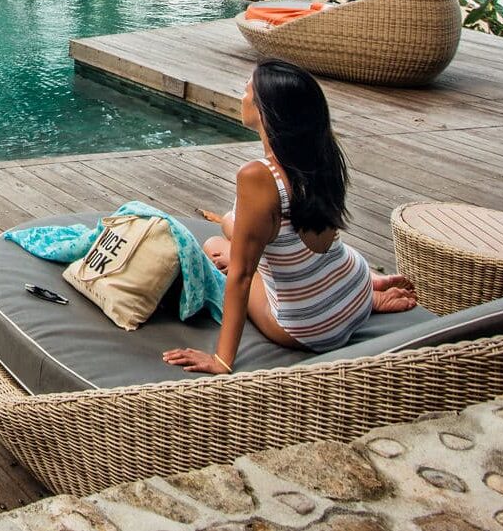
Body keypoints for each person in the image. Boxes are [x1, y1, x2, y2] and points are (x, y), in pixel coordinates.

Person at [163, 60, 417, 375]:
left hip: (314, 327)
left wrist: (221, 359)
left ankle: (366, 293)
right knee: (233, 230)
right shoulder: (320, 154)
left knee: (216, 246)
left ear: (265, 110)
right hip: (355, 287)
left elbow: (242, 276)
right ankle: (371, 294)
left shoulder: (258, 176)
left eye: (246, 89)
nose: (242, 96)